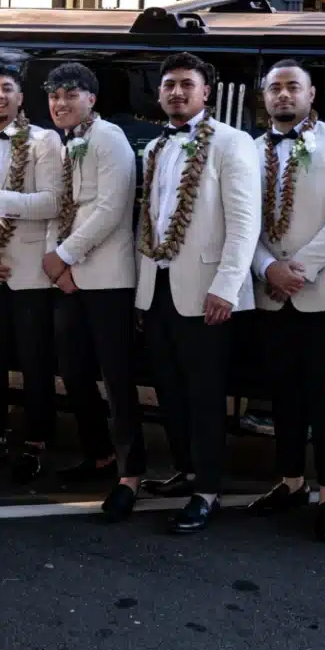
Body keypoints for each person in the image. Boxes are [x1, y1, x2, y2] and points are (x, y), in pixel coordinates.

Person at [245, 60, 325, 542]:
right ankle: (291, 481)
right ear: (264, 97)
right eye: (274, 88)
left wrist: (297, 270)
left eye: (292, 87)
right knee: (283, 397)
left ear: (311, 93)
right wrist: (266, 268)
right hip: (271, 295)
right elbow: (239, 222)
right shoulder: (250, 151)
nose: (283, 95)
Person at [134, 53, 260, 534]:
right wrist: (142, 292)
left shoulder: (232, 143)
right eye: (169, 85)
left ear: (207, 92)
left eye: (187, 85)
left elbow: (245, 222)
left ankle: (206, 488)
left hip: (208, 290)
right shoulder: (155, 148)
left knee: (206, 394)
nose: (177, 93)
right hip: (159, 286)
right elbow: (151, 220)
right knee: (168, 388)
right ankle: (185, 471)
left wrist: (226, 287)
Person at [35, 63, 144, 517]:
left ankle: (129, 474)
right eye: (55, 95)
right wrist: (54, 263)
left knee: (118, 379)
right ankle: (97, 453)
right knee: (73, 370)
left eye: (71, 95)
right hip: (70, 278)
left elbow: (112, 207)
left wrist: (65, 256)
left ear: (92, 99)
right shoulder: (65, 144)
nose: (60, 103)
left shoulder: (109, 138)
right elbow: (59, 207)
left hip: (108, 280)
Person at [0, 62, 62, 484]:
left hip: (31, 271)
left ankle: (37, 442)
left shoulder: (44, 140)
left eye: (6, 88)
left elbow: (56, 202)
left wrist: (3, 200)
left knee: (36, 362)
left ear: (21, 98)